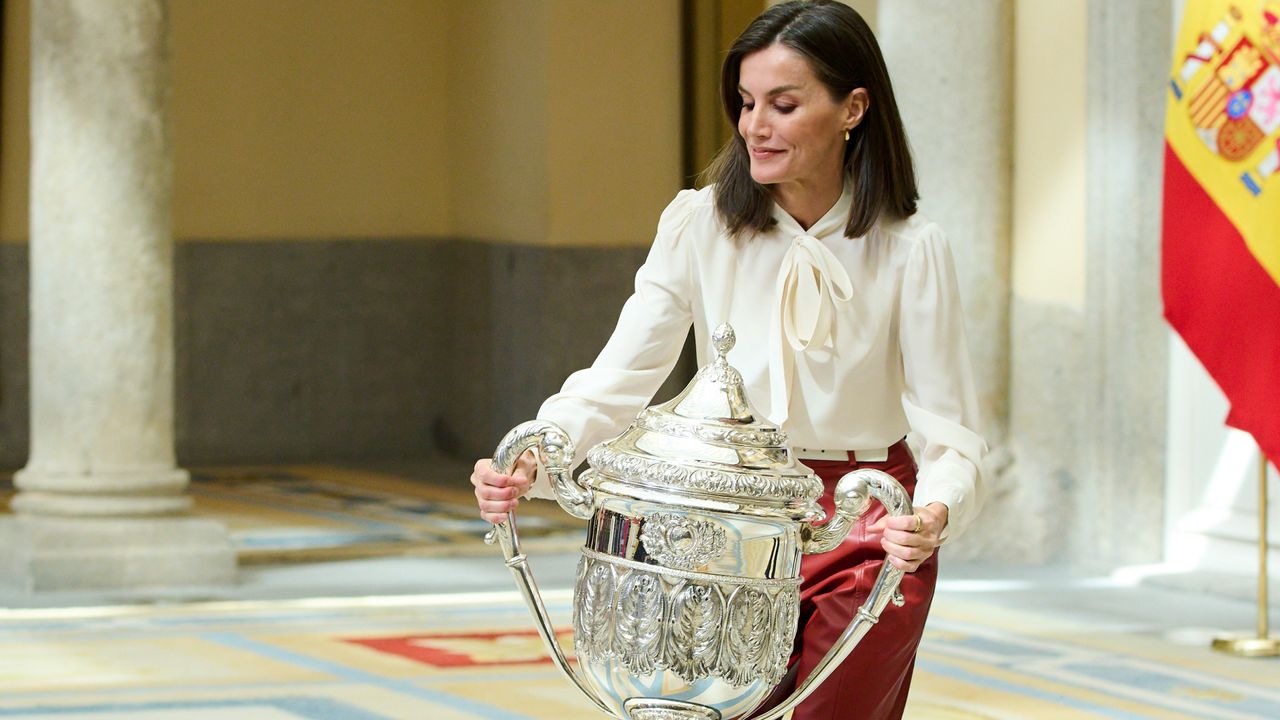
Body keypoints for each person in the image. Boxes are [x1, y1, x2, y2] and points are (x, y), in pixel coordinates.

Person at [471, 2, 986, 718]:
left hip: (865, 521)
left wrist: (935, 510)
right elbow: (621, 375)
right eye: (745, 103)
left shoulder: (910, 247)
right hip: (724, 524)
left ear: (853, 108)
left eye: (783, 104)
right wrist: (539, 452)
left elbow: (948, 423)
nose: (754, 126)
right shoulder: (699, 223)